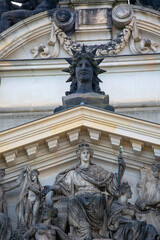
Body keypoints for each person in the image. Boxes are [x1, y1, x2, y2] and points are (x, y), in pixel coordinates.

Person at [43, 140, 126, 240]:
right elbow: (64, 187)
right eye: (83, 153)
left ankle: (94, 231)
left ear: (90, 155)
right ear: (79, 155)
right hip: (79, 196)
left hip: (95, 195)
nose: (86, 155)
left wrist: (122, 168)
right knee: (72, 200)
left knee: (99, 197)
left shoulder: (97, 170)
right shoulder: (73, 173)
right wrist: (52, 187)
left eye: (87, 153)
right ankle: (84, 230)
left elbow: (113, 180)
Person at [0, 168, 27, 239]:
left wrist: (22, 173)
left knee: (6, 220)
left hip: (2, 217)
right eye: (0, 175)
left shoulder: (2, 187)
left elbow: (17, 183)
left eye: (2, 176)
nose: (2, 178)